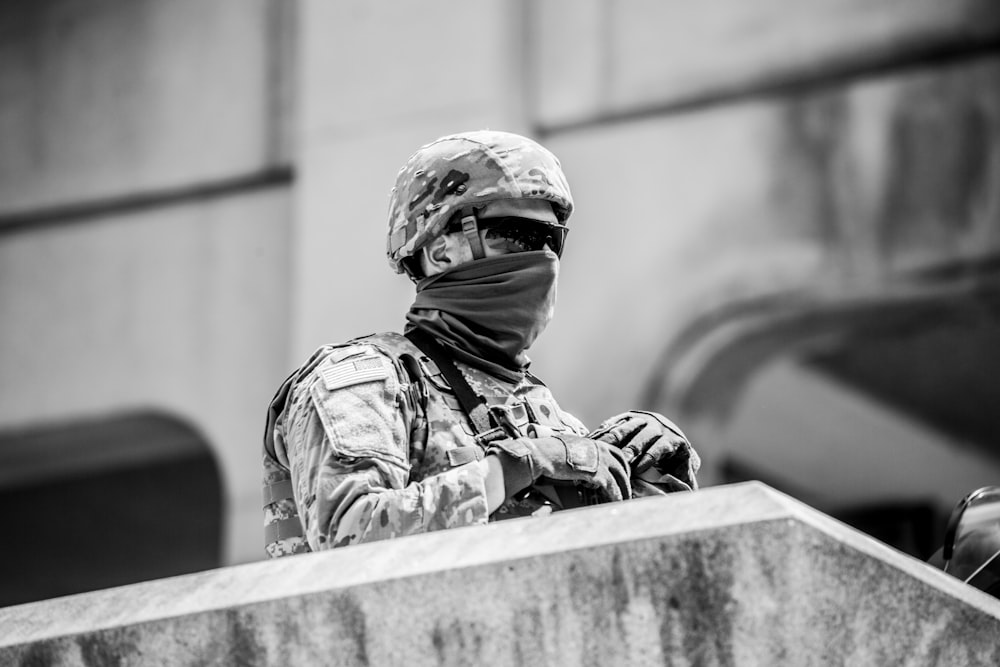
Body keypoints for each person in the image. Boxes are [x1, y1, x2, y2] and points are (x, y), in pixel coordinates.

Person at [262, 130, 699, 558]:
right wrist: (510, 468)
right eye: (517, 235)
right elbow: (348, 536)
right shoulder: (366, 380)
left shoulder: (551, 419)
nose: (542, 256)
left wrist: (655, 488)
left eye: (552, 239)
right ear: (440, 250)